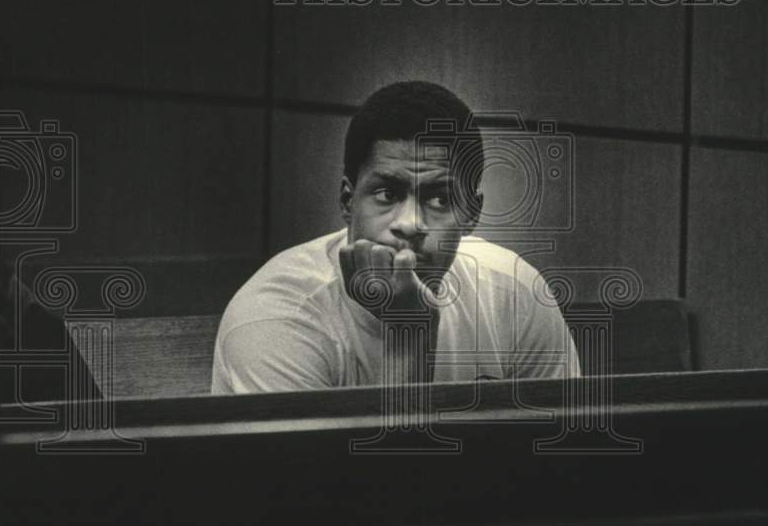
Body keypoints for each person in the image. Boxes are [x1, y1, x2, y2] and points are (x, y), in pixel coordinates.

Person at [211, 80, 580, 393]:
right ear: (347, 200)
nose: (410, 224)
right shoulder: (277, 318)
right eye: (387, 194)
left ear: (472, 214)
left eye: (439, 198)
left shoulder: (514, 293)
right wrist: (409, 334)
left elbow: (558, 463)